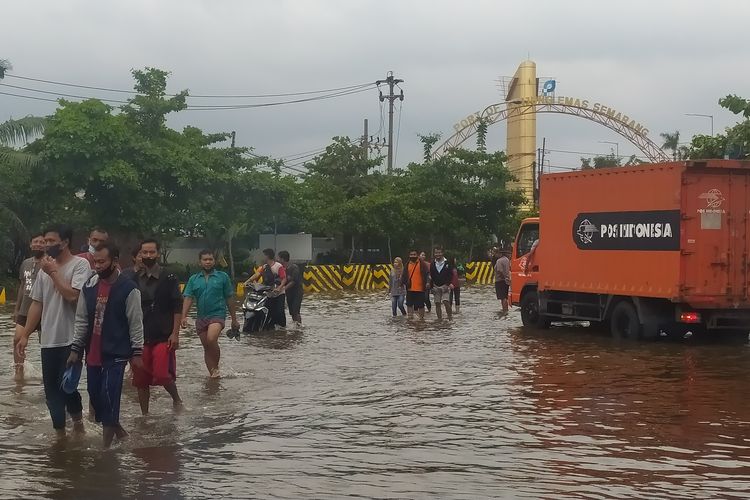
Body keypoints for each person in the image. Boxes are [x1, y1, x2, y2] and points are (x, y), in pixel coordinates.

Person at [15, 225, 93, 437]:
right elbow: (37, 304)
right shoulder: (44, 269)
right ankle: (60, 435)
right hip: (48, 339)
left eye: (51, 241)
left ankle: (78, 425)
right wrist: (25, 335)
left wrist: (54, 273)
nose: (47, 245)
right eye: (45, 240)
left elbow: (73, 296)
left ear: (65, 242)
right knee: (51, 394)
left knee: (67, 388)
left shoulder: (80, 265)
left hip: (72, 338)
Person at [68, 242, 144, 448]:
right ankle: (118, 429)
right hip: (92, 353)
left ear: (115, 262)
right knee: (96, 395)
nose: (98, 266)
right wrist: (75, 348)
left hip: (116, 353)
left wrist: (137, 352)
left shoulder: (129, 289)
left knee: (110, 397)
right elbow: (82, 319)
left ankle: (105, 451)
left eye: (102, 262)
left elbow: (135, 323)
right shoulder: (89, 286)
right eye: (95, 262)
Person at [130, 239, 183, 414]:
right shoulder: (133, 278)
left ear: (158, 254)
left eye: (151, 252)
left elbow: (177, 306)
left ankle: (176, 399)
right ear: (139, 255)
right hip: (140, 336)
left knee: (161, 374)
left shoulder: (169, 277)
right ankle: (145, 415)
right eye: (144, 252)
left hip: (163, 334)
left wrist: (175, 334)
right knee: (141, 379)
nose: (148, 256)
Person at [182, 250, 239, 378]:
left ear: (214, 261)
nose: (208, 262)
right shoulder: (193, 279)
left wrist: (234, 319)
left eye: (210, 259)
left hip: (217, 314)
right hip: (201, 317)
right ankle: (213, 374)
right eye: (205, 260)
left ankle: (216, 366)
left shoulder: (222, 277)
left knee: (211, 339)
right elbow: (188, 298)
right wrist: (184, 316)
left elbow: (229, 298)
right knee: (207, 346)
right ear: (200, 262)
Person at [12, 233, 46, 381]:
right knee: (17, 340)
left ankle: (48, 373)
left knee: (45, 345)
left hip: (44, 312)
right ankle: (19, 370)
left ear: (46, 245)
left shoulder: (49, 263)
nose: (38, 244)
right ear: (31, 245)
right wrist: (16, 308)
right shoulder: (25, 263)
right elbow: (22, 286)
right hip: (25, 310)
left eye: (41, 242)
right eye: (35, 242)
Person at [246, 249, 287, 329]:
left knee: (279, 312)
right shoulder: (264, 267)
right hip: (268, 294)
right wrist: (247, 281)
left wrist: (279, 288)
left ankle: (283, 328)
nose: (262, 257)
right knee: (268, 312)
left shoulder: (278, 266)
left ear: (267, 256)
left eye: (263, 255)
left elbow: (284, 279)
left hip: (279, 294)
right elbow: (256, 275)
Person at [402, 249, 430, 320]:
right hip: (410, 288)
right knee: (409, 304)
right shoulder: (407, 264)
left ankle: (421, 319)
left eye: (414, 254)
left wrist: (427, 282)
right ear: (409, 255)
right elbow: (404, 275)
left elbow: (427, 274)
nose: (412, 256)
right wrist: (402, 283)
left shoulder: (422, 264)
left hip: (420, 289)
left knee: (421, 305)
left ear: (417, 255)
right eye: (411, 255)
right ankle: (410, 318)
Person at [278, 251, 303, 326]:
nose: (278, 260)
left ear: (283, 259)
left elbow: (294, 281)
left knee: (296, 310)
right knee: (292, 312)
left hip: (297, 292)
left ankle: (299, 327)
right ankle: (295, 327)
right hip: (289, 293)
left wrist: (283, 288)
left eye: (279, 258)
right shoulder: (282, 269)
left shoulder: (294, 267)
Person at [429, 246, 454, 320]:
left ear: (442, 253)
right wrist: (431, 287)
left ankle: (450, 317)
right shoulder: (432, 264)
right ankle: (439, 319)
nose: (438, 254)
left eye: (439, 252)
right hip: (436, 286)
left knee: (446, 302)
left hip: (445, 286)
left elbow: (450, 275)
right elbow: (431, 276)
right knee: (437, 303)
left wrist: (447, 284)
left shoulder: (448, 263)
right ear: (434, 254)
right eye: (436, 253)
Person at [495, 248, 511, 313]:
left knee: (502, 297)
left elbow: (499, 271)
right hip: (506, 281)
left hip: (500, 280)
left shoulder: (499, 261)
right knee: (505, 297)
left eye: (496, 253)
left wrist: (503, 278)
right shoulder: (507, 260)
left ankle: (504, 310)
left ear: (500, 253)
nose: (496, 255)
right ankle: (506, 310)